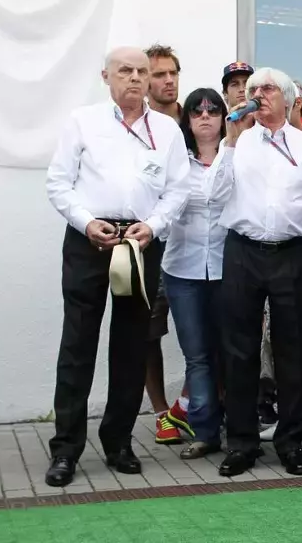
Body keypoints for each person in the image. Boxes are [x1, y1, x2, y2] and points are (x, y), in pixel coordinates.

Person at [44, 47, 191, 487]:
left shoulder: (166, 130)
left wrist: (155, 226)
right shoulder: (82, 121)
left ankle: (119, 442)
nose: (134, 78)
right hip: (90, 240)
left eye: (141, 71)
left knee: (130, 345)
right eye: (124, 70)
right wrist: (87, 223)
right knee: (78, 344)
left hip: (140, 243)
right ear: (105, 76)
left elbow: (177, 190)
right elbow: (57, 182)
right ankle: (66, 449)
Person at [214, 67, 302, 477]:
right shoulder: (236, 142)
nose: (258, 94)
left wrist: (290, 223)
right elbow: (214, 196)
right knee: (240, 350)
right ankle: (242, 444)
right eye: (252, 90)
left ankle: (291, 442)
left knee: (292, 350)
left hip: (290, 254)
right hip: (242, 252)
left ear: (287, 98)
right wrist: (229, 143)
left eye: (267, 88)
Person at [161, 88, 233, 459]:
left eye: (212, 110)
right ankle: (205, 432)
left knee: (233, 351)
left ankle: (238, 428)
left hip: (228, 268)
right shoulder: (176, 161)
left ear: (223, 116)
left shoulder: (237, 155)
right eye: (196, 111)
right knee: (198, 355)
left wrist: (231, 148)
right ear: (187, 120)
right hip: (183, 269)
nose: (205, 116)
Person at [143, 43, 191, 445]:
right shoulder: (135, 129)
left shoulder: (195, 120)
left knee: (204, 332)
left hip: (195, 247)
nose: (168, 80)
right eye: (159, 74)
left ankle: (193, 405)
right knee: (147, 333)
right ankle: (162, 414)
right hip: (149, 247)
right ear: (144, 81)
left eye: (172, 72)